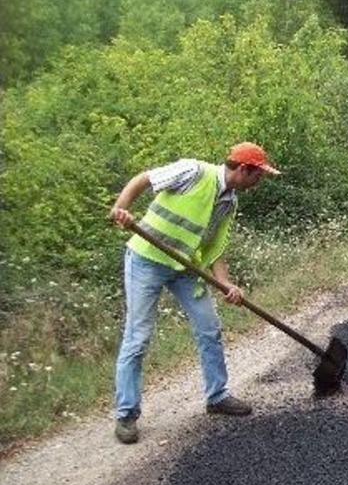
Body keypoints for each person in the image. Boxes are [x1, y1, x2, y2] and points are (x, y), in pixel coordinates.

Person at [108, 142, 281, 445]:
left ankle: (217, 396)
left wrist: (227, 284)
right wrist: (122, 208)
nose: (259, 182)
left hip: (186, 267)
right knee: (138, 337)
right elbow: (143, 179)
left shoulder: (230, 201)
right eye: (258, 175)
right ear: (243, 170)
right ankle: (126, 415)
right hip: (146, 259)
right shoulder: (193, 171)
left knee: (209, 327)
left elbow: (214, 248)